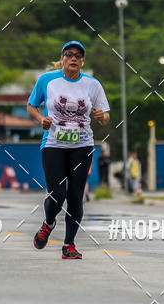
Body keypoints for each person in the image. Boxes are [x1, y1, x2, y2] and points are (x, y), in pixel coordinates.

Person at [27, 40, 110, 260]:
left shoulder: (92, 84)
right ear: (62, 58)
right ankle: (48, 223)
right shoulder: (47, 80)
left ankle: (69, 245)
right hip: (53, 144)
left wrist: (102, 117)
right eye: (69, 54)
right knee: (57, 194)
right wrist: (40, 119)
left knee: (75, 197)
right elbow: (31, 105)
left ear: (82, 61)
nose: (73, 58)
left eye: (78, 55)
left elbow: (104, 115)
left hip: (82, 146)